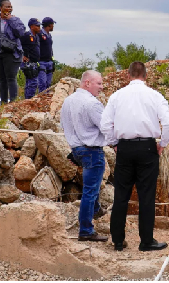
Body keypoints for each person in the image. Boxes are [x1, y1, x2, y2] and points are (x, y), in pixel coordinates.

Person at [101, 61, 169, 252]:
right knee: (146, 196)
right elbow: (167, 124)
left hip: (124, 148)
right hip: (148, 149)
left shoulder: (117, 96)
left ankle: (117, 240)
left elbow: (105, 124)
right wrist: (162, 144)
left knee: (121, 196)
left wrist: (114, 144)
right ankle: (146, 241)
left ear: (128, 75)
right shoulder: (155, 96)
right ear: (146, 75)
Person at [60, 70, 108, 242]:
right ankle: (86, 230)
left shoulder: (68, 101)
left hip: (77, 150)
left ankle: (96, 210)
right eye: (99, 83)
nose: (102, 87)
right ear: (87, 83)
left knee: (90, 187)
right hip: (92, 150)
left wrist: (75, 147)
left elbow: (63, 125)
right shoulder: (92, 103)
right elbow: (107, 127)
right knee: (90, 190)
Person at [0, 0, 25, 104]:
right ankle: (3, 103)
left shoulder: (15, 19)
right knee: (2, 80)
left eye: (11, 7)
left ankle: (13, 103)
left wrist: (11, 20)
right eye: (7, 6)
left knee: (11, 78)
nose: (9, 9)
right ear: (0, 8)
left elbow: (21, 32)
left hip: (11, 54)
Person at [20, 18, 41, 99]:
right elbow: (17, 45)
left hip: (35, 62)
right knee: (33, 82)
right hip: (28, 62)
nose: (39, 27)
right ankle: (29, 99)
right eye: (37, 26)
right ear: (32, 26)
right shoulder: (26, 35)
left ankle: (27, 99)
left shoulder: (36, 36)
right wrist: (22, 56)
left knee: (30, 82)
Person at [38, 17, 55, 90]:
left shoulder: (49, 35)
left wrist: (52, 60)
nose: (53, 26)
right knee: (42, 83)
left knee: (48, 84)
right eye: (52, 24)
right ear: (49, 25)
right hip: (41, 61)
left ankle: (46, 99)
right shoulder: (39, 34)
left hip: (49, 61)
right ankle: (41, 99)